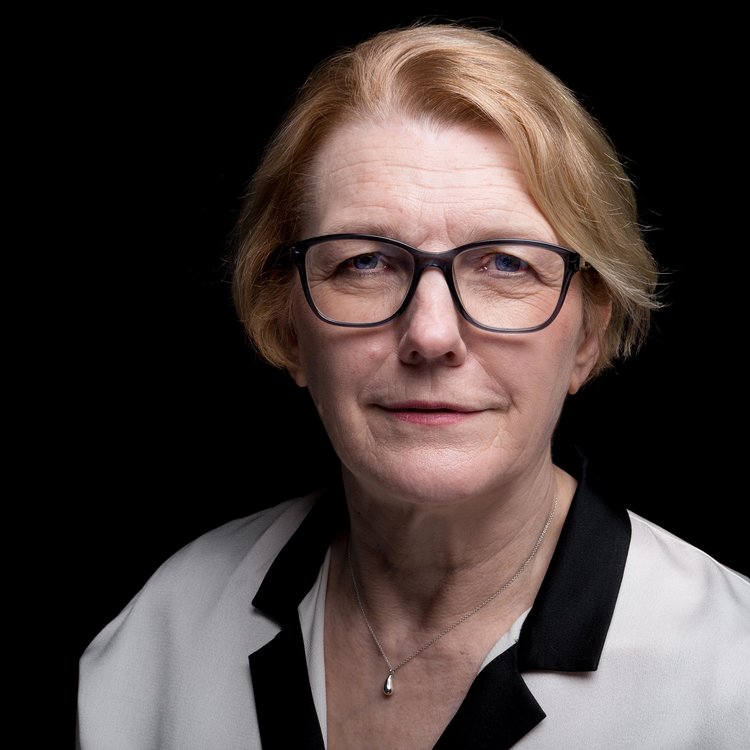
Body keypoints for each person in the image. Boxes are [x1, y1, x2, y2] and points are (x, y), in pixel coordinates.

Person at [76, 21, 750, 749]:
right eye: (365, 262)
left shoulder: (730, 674)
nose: (431, 335)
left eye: (505, 265)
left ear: (586, 337)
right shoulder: (170, 627)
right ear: (285, 324)